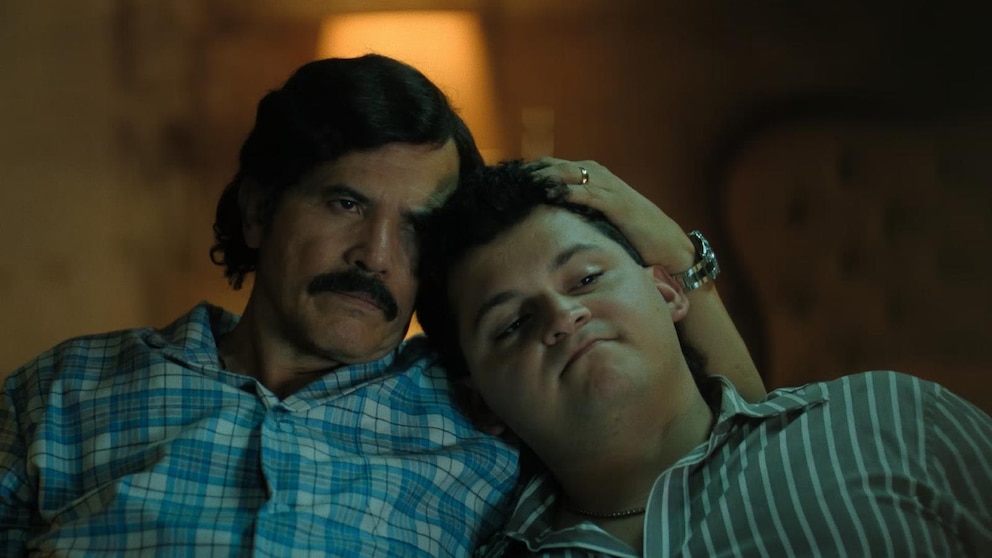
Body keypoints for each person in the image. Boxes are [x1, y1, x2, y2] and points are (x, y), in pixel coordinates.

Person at [0, 55, 763, 555]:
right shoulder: (67, 390)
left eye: (417, 229)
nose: (376, 255)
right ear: (259, 211)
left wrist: (675, 254)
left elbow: (735, 452)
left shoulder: (486, 396)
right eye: (346, 204)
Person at [415, 160, 992, 557]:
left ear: (668, 292)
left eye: (586, 278)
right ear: (479, 400)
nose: (563, 316)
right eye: (512, 325)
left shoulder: (885, 420)